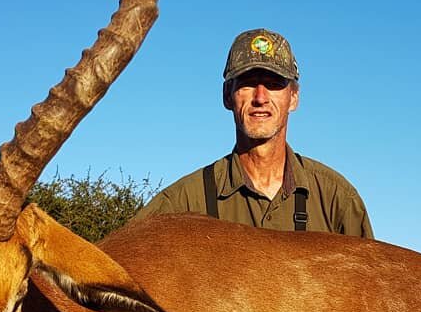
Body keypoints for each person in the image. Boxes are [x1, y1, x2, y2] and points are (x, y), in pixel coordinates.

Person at [135, 28, 374, 237]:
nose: (260, 98)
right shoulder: (182, 202)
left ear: (294, 97)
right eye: (247, 83)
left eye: (274, 84)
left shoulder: (338, 200)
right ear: (227, 95)